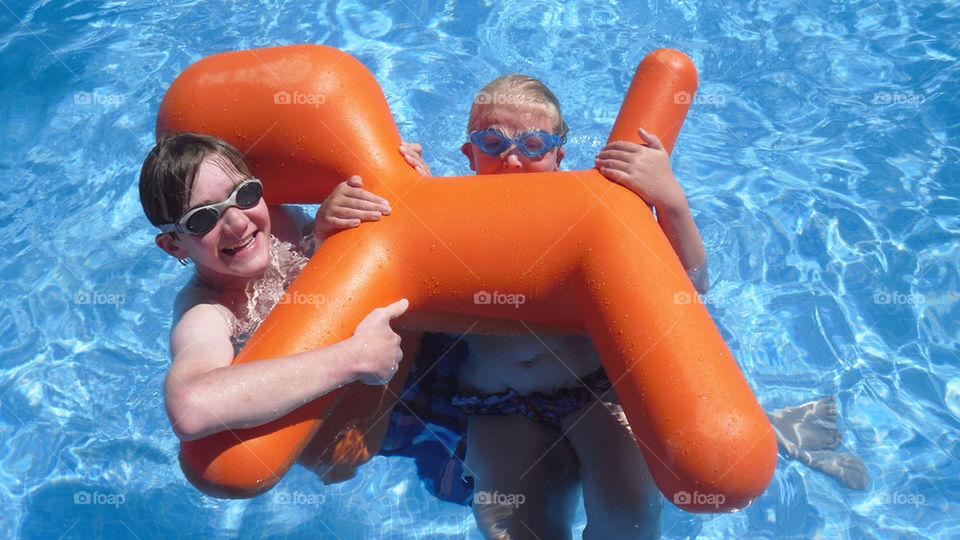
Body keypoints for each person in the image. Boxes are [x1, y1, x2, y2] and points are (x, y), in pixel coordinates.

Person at [391, 74, 866, 538]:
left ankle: (771, 433)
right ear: (468, 154)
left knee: (630, 520)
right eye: (492, 143)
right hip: (498, 404)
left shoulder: (591, 206)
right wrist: (407, 195)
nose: (513, 159)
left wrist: (669, 198)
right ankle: (779, 430)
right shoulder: (444, 211)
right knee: (509, 528)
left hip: (599, 390)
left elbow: (688, 283)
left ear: (559, 153)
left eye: (533, 145)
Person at [138, 132, 408, 449]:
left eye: (245, 193)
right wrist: (354, 358)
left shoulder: (281, 221)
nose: (237, 223)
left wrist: (323, 232)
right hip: (351, 424)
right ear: (173, 246)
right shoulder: (208, 312)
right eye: (202, 218)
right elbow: (190, 408)